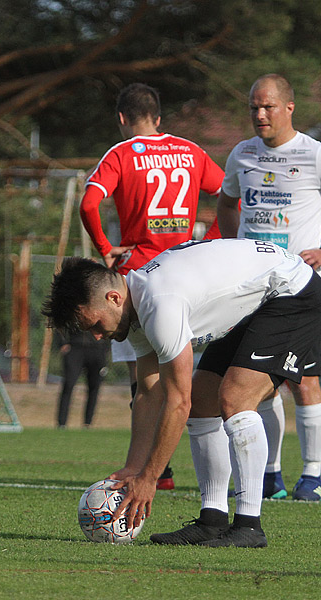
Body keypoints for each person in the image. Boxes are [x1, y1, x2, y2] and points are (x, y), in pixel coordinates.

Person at [43, 238, 321, 547]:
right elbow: (148, 392)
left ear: (113, 298)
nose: (98, 337)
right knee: (202, 402)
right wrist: (133, 468)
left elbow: (176, 402)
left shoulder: (159, 304)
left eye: (96, 325)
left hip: (294, 294)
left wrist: (150, 478)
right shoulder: (135, 305)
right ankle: (212, 519)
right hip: (254, 305)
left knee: (234, 398)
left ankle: (249, 526)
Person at [217, 73, 321, 501]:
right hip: (249, 289)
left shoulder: (317, 154)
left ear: (289, 108)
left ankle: (312, 478)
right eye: (253, 107)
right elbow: (227, 200)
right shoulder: (241, 153)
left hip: (299, 291)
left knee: (303, 382)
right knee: (258, 381)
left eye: (268, 106)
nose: (260, 114)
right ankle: (270, 476)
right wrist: (234, 249)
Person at [80, 82, 225, 490]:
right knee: (181, 372)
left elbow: (89, 203)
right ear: (159, 119)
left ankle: (154, 468)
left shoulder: (122, 154)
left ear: (122, 118)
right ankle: (172, 467)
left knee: (145, 380)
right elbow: (230, 192)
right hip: (190, 271)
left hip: (141, 276)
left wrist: (106, 248)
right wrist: (211, 239)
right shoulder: (190, 151)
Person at [56, 330, 110, 429]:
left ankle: (87, 423)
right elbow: (59, 324)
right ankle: (61, 423)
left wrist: (106, 346)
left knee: (94, 386)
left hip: (97, 348)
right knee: (68, 384)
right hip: (75, 346)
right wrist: (62, 342)